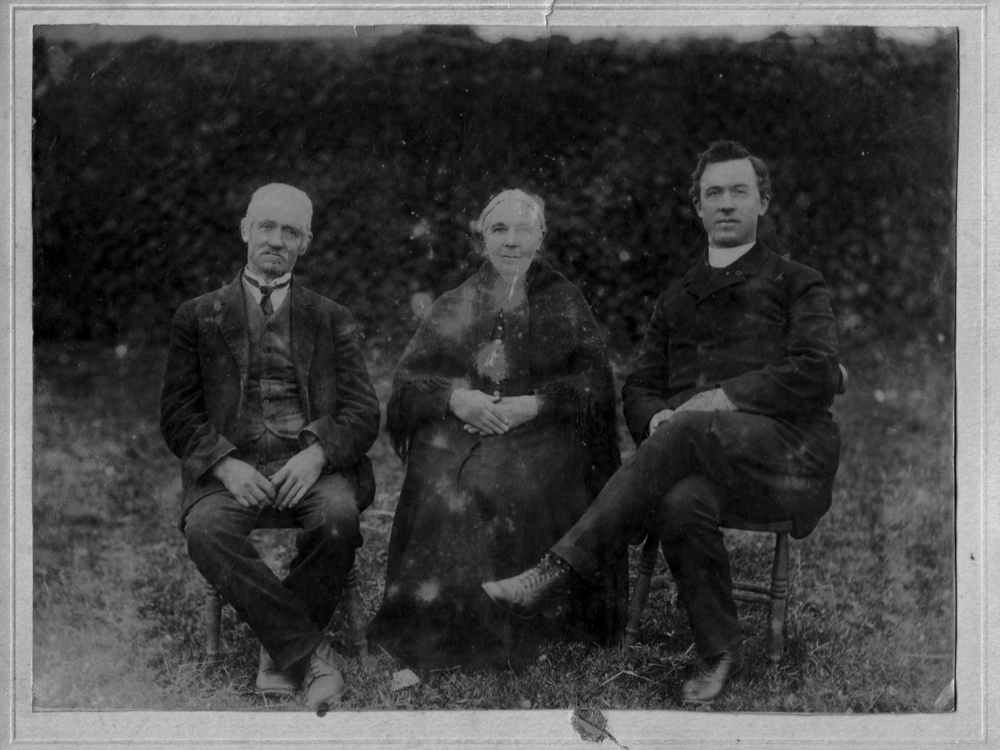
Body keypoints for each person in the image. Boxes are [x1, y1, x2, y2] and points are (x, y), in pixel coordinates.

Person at [482, 142, 842, 704]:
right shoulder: (677, 299)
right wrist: (657, 421)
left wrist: (722, 398)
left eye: (739, 191)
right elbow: (640, 387)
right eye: (713, 193)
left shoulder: (798, 281)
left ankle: (555, 569)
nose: (726, 204)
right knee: (680, 500)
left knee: (691, 429)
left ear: (763, 202)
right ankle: (718, 650)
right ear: (697, 207)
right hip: (699, 456)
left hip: (787, 458)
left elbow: (820, 370)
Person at [366, 189, 627, 671]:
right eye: (499, 229)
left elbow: (594, 384)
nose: (511, 240)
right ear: (482, 237)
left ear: (541, 237)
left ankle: (510, 625)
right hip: (466, 426)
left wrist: (539, 403)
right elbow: (408, 384)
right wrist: (454, 397)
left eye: (523, 229)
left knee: (501, 483)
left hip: (544, 432)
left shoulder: (566, 299)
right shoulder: (455, 301)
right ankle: (438, 626)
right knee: (443, 480)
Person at [160, 183, 381, 710]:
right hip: (231, 470)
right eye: (266, 226)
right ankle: (307, 652)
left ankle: (280, 650)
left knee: (338, 518)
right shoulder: (199, 316)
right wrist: (225, 465)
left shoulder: (331, 317)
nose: (276, 240)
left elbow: (363, 410)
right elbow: (178, 413)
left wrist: (319, 453)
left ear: (305, 242)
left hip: (307, 464)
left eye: (290, 231)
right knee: (207, 531)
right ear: (245, 230)